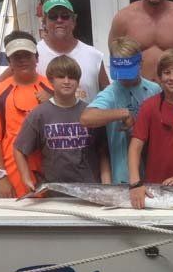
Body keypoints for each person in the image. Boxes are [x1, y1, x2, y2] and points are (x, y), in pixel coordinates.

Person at [13, 55, 110, 191]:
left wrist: (106, 184)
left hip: (90, 189)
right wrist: (26, 178)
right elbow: (19, 149)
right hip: (55, 191)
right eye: (61, 77)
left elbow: (103, 153)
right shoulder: (40, 114)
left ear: (78, 81)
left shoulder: (90, 112)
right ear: (51, 80)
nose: (66, 81)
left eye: (71, 77)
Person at [79, 36, 161, 184]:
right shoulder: (111, 92)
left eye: (128, 72)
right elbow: (86, 118)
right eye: (120, 72)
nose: (124, 78)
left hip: (153, 167)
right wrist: (122, 113)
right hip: (123, 174)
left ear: (140, 64)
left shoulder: (154, 89)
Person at [0, 31, 53, 198]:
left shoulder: (53, 88)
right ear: (9, 62)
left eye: (27, 55)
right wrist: (1, 178)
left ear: (36, 58)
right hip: (14, 171)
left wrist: (54, 99)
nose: (23, 60)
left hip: (51, 168)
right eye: (17, 56)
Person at [128, 49, 173, 209]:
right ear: (159, 78)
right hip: (152, 190)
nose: (172, 77)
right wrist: (136, 183)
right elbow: (135, 148)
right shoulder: (149, 106)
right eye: (166, 73)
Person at [37, 0, 109, 104]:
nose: (59, 20)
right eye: (53, 16)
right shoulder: (32, 56)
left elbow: (108, 96)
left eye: (65, 16)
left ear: (74, 21)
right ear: (44, 22)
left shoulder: (94, 55)